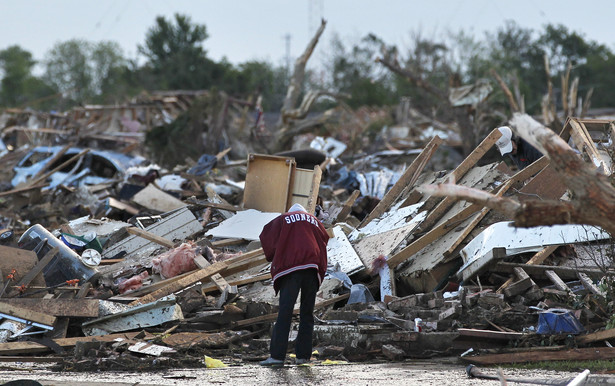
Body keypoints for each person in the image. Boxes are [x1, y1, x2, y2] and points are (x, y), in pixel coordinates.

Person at [258, 203, 330, 367]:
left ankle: (277, 357)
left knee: (285, 311)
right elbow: (324, 240)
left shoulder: (283, 219)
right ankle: (303, 357)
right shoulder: (315, 221)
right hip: (311, 269)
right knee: (307, 313)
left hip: (291, 269)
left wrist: (274, 254)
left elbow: (266, 235)